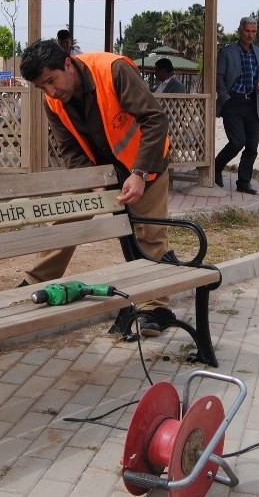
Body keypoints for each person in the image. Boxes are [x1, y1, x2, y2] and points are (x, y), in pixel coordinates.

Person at [19, 38, 174, 337]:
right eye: (42, 87)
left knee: (150, 234)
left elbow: (155, 120)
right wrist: (94, 185)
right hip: (99, 170)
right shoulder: (53, 101)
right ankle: (36, 282)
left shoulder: (113, 70)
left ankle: (155, 307)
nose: (50, 91)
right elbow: (70, 149)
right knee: (68, 216)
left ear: (67, 64)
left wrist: (139, 173)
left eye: (51, 81)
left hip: (145, 161)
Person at [214, 16, 259, 195]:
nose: (250, 35)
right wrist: (226, 100)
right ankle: (216, 167)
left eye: (254, 31)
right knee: (237, 141)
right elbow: (219, 78)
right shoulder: (227, 52)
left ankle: (244, 182)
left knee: (252, 146)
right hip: (233, 103)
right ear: (239, 31)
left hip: (253, 103)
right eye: (247, 31)